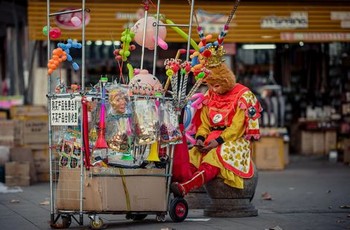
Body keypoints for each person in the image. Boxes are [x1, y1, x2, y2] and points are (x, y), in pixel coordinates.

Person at [171, 60, 262, 197]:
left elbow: (237, 128)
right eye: (210, 85)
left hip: (233, 141)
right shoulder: (209, 95)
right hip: (211, 139)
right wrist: (200, 139)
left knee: (216, 156)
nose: (213, 89)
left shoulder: (243, 95)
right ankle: (178, 183)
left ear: (225, 80)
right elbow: (205, 124)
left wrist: (218, 141)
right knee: (193, 154)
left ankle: (186, 187)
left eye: (216, 85)